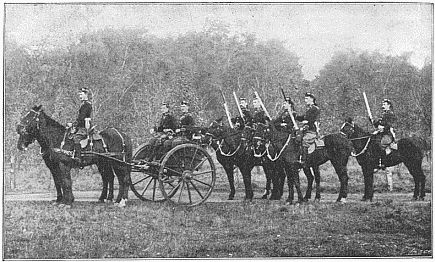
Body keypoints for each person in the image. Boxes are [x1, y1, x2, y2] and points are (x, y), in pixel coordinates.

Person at [372, 98, 396, 190]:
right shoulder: (384, 114)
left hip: (388, 134)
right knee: (373, 142)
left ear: (389, 105)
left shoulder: (390, 114)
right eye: (383, 104)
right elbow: (377, 124)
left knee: (381, 144)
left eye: (385, 104)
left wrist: (382, 127)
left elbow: (388, 125)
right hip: (382, 133)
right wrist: (373, 121)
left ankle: (382, 162)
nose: (383, 106)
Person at [295, 92, 320, 167]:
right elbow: (303, 117)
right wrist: (295, 116)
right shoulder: (309, 109)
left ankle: (304, 160)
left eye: (307, 99)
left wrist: (307, 122)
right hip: (306, 130)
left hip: (311, 130)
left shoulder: (315, 109)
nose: (305, 100)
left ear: (312, 99)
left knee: (305, 140)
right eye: (305, 98)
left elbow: (312, 119)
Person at [71, 87, 92, 163]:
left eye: (81, 94)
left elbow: (81, 118)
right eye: (79, 94)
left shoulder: (87, 105)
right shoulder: (83, 104)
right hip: (81, 126)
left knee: (76, 138)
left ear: (86, 94)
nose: (80, 96)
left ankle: (78, 158)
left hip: (84, 127)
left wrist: (73, 124)